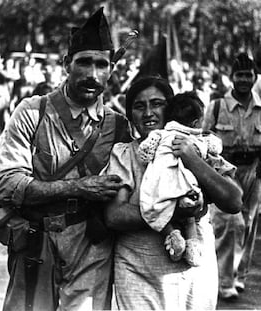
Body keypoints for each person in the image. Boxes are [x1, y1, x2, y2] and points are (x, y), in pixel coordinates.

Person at [0, 8, 132, 311]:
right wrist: (80, 188)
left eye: (101, 64)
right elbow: (6, 183)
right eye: (83, 62)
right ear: (67, 64)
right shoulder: (33, 112)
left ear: (111, 69)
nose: (92, 74)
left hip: (91, 248)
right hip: (35, 240)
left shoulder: (118, 126)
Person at [105, 76, 242, 310]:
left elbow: (233, 200)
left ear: (171, 109)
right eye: (139, 106)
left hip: (193, 272)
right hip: (139, 272)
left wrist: (191, 158)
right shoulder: (125, 153)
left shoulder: (197, 145)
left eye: (157, 103)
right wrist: (171, 210)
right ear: (130, 115)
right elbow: (115, 214)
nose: (148, 113)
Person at [137, 91, 225, 267]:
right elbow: (216, 147)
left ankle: (173, 235)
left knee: (159, 209)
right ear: (195, 122)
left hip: (163, 184)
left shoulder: (161, 134)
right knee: (190, 214)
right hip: (187, 186)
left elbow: (144, 153)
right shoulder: (199, 139)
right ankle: (192, 244)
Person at [202, 52, 261, 300]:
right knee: (230, 223)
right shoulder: (217, 106)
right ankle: (225, 281)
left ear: (255, 77)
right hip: (226, 171)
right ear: (231, 78)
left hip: (255, 171)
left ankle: (239, 277)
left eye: (248, 75)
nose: (244, 80)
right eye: (239, 75)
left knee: (249, 224)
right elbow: (202, 138)